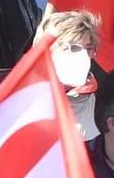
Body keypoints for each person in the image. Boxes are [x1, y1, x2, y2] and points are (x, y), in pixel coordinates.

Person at [41, 10, 103, 141]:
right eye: (72, 48)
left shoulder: (106, 102)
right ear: (48, 52)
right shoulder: (27, 103)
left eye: (88, 48)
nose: (82, 56)